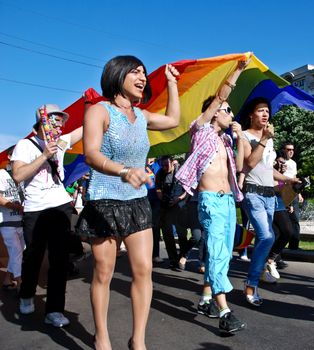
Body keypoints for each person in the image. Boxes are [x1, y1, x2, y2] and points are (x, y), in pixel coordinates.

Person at [76, 55, 180, 350]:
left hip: (136, 202)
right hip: (104, 201)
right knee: (104, 273)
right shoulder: (99, 110)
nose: (142, 77)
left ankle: (139, 340)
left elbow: (173, 120)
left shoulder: (143, 116)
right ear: (117, 75)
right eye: (135, 71)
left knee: (144, 269)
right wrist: (124, 171)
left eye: (144, 73)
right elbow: (91, 154)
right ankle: (102, 337)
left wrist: (172, 83)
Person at [176, 57, 249, 334]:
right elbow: (220, 96)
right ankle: (224, 311)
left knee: (223, 256)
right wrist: (239, 70)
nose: (231, 114)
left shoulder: (226, 140)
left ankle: (206, 299)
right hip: (210, 202)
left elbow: (241, 166)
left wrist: (240, 136)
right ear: (214, 112)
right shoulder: (202, 131)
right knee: (218, 255)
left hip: (230, 202)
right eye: (227, 110)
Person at [11, 104, 83, 327]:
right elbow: (18, 175)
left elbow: (87, 126)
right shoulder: (25, 145)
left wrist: (94, 103)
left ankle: (54, 310)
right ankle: (26, 295)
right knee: (33, 256)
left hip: (60, 205)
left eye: (62, 120)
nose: (61, 123)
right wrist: (44, 155)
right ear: (44, 121)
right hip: (35, 208)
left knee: (59, 260)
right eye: (57, 119)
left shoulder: (61, 142)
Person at [241, 97, 300, 306]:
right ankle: (252, 282)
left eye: (267, 111)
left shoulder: (270, 139)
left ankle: (257, 273)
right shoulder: (245, 136)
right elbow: (250, 162)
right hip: (253, 193)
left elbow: (268, 168)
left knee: (270, 235)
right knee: (266, 236)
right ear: (251, 114)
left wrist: (288, 179)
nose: (265, 114)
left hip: (270, 195)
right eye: (260, 110)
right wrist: (264, 139)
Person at [266, 153, 295, 280]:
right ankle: (269, 261)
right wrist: (289, 183)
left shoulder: (282, 177)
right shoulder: (269, 172)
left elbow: (282, 190)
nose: (282, 166)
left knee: (287, 231)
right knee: (275, 234)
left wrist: (289, 201)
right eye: (279, 163)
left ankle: (271, 260)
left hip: (280, 205)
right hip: (268, 204)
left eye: (284, 164)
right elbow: (273, 188)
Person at [155, 156, 186, 270]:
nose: (164, 167)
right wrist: (161, 197)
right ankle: (173, 260)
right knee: (168, 235)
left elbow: (188, 190)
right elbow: (157, 188)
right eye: (162, 165)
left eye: (166, 165)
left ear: (172, 163)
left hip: (179, 205)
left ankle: (183, 256)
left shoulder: (181, 171)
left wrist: (178, 199)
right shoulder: (160, 174)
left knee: (181, 234)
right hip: (166, 206)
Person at [0, 146, 24, 290]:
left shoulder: (22, 174)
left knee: (18, 252)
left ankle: (7, 279)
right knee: (16, 251)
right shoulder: (2, 174)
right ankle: (21, 284)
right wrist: (16, 207)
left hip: (22, 221)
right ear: (9, 157)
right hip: (7, 221)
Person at [282, 142, 302, 253]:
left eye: (292, 150)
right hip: (282, 191)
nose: (291, 151)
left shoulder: (293, 163)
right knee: (282, 219)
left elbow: (294, 178)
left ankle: (294, 245)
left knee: (295, 218)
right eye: (288, 149)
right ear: (284, 150)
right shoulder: (279, 161)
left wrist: (298, 193)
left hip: (292, 191)